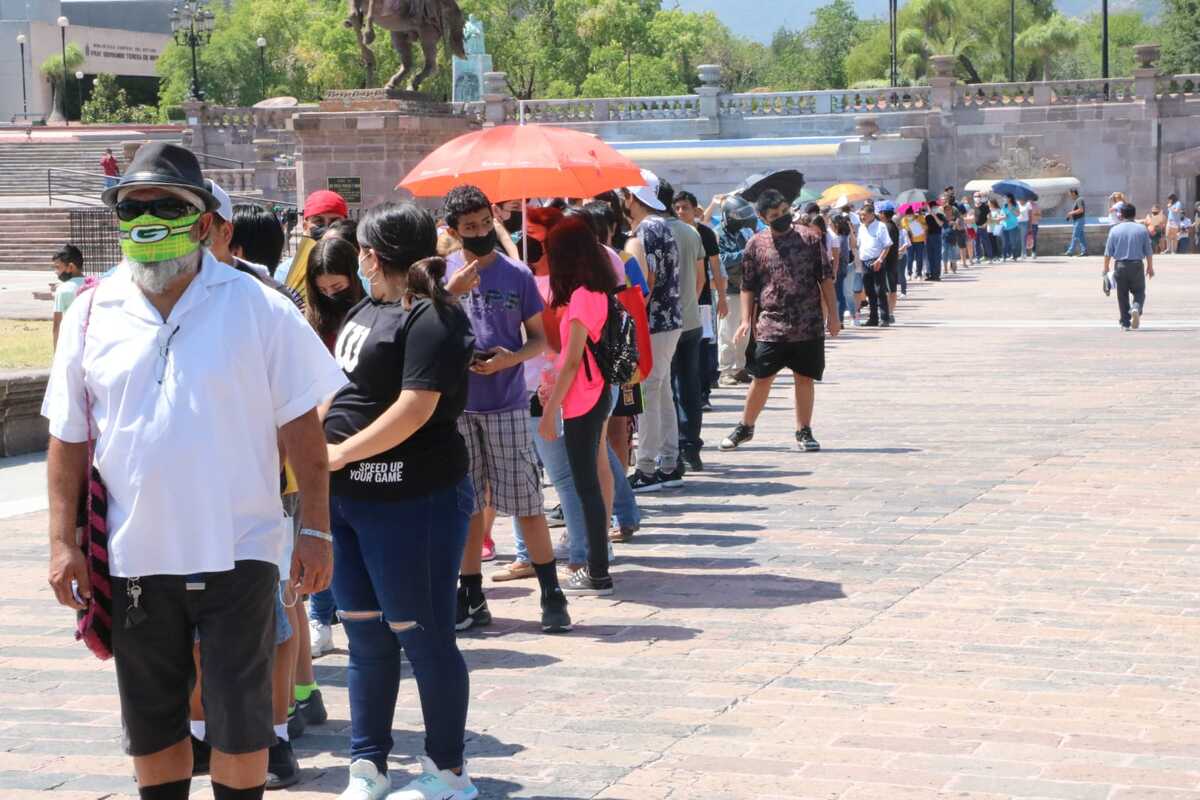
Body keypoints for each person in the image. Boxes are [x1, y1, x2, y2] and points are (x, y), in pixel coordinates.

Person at [43, 142, 345, 800]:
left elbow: (303, 426)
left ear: (204, 222)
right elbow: (66, 437)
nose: (145, 221)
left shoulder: (258, 307)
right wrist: (63, 543)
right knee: (153, 729)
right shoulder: (91, 313)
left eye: (165, 207)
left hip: (240, 552)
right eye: (132, 208)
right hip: (135, 559)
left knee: (241, 729)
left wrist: (316, 530)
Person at [324, 202, 480, 800]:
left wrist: (341, 454)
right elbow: (341, 389)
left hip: (413, 499)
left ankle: (447, 770)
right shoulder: (368, 308)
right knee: (364, 634)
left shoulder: (433, 319)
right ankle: (368, 763)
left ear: (372, 254)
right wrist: (317, 453)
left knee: (424, 634)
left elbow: (414, 409)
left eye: (362, 249)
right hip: (348, 502)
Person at [441, 185, 570, 634]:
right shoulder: (442, 275)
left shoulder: (516, 274)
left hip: (507, 402)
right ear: (453, 231)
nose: (478, 233)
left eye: (483, 224)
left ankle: (552, 592)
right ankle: (471, 592)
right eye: (469, 228)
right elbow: (427, 330)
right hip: (460, 405)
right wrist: (450, 295)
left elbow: (540, 339)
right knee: (468, 505)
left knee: (526, 501)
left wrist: (507, 359)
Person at [537, 216, 622, 595]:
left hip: (584, 398)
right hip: (589, 394)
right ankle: (596, 567)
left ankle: (597, 571)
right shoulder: (593, 291)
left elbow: (572, 360)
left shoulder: (585, 295)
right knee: (587, 483)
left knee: (586, 486)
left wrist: (550, 409)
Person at [719, 190, 839, 454]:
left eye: (785, 212)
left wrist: (834, 315)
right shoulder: (755, 244)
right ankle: (745, 426)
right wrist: (744, 321)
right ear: (763, 217)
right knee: (761, 377)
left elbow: (826, 279)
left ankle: (803, 430)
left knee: (804, 378)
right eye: (775, 215)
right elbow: (747, 286)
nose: (782, 218)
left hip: (808, 323)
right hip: (771, 324)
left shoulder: (810, 238)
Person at [622, 170, 683, 493]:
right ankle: (669, 461)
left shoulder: (645, 231)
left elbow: (644, 284)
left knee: (647, 395)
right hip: (670, 320)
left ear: (632, 198)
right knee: (661, 393)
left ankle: (647, 466)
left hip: (653, 323)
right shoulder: (663, 226)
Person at [657, 179, 706, 473]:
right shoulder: (691, 232)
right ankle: (691, 447)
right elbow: (700, 278)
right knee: (689, 385)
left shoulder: (651, 233)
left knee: (665, 388)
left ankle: (670, 448)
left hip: (663, 324)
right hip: (690, 319)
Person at [674, 190, 725, 412]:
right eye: (677, 208)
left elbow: (714, 266)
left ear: (695, 210)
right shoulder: (672, 233)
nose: (681, 212)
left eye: (685, 207)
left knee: (704, 345)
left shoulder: (705, 233)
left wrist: (722, 297)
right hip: (677, 299)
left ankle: (703, 392)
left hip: (703, 299)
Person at [715, 195, 755, 385]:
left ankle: (740, 367)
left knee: (743, 333)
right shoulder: (718, 235)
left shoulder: (743, 234)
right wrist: (744, 253)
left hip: (744, 288)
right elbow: (721, 260)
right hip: (728, 290)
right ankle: (725, 370)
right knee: (727, 332)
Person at [274, 190, 350, 283]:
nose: (327, 228)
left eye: (334, 221)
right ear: (305, 226)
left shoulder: (359, 270)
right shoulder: (286, 272)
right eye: (319, 221)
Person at [1103, 203, 1155, 331]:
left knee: (1122, 295)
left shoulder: (1114, 230)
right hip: (1137, 265)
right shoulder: (1142, 229)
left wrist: (1105, 268)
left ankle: (1125, 323)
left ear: (1121, 215)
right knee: (1139, 292)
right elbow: (1148, 250)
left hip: (1120, 266)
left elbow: (1108, 252)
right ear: (1134, 214)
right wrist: (1150, 267)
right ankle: (1136, 307)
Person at [854, 202, 893, 326]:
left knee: (880, 290)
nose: (862, 217)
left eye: (864, 215)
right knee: (869, 291)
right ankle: (873, 318)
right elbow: (859, 244)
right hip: (865, 262)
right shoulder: (861, 227)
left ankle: (884, 318)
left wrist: (880, 260)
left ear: (872, 214)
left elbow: (887, 245)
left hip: (877, 261)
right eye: (861, 215)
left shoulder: (881, 226)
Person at [50, 244, 85, 351]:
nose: (56, 271)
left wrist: (56, 353)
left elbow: (57, 326)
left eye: (58, 267)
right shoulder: (94, 284)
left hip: (71, 344)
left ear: (70, 267)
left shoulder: (62, 290)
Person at [878, 203, 901, 317]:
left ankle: (887, 313)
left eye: (879, 212)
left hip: (887, 262)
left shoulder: (886, 227)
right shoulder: (892, 225)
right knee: (892, 289)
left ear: (883, 214)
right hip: (893, 261)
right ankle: (890, 313)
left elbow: (885, 246)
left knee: (887, 289)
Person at [901, 206, 926, 279]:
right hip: (910, 242)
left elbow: (926, 227)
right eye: (907, 215)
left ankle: (919, 274)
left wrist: (917, 222)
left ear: (913, 213)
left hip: (920, 241)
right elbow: (904, 229)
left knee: (919, 258)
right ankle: (909, 273)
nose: (909, 216)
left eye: (910, 215)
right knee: (910, 258)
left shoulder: (920, 217)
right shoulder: (904, 219)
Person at [1065, 188, 1087, 256]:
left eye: (1070, 194)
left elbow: (1081, 210)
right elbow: (1079, 211)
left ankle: (1070, 251)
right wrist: (1071, 214)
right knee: (1081, 237)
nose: (1070, 196)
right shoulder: (1078, 200)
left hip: (1079, 220)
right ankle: (1084, 251)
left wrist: (1071, 213)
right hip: (1079, 220)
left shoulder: (1079, 200)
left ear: (1073, 193)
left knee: (1075, 235)